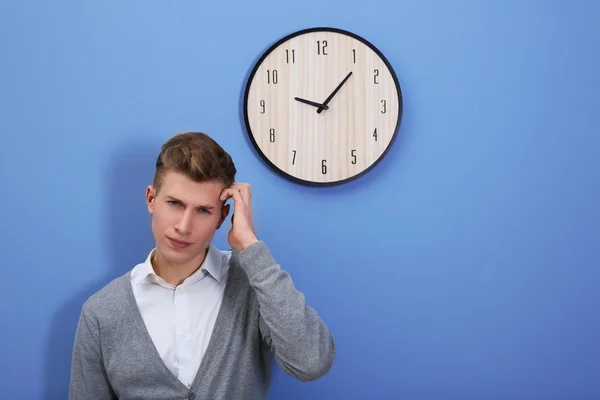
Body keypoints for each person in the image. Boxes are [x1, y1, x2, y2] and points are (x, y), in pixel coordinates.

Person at [69, 132, 336, 399]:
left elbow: (312, 363)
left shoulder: (253, 288)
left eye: (203, 211)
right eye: (175, 203)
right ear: (151, 199)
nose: (184, 227)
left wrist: (250, 246)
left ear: (222, 218)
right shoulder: (102, 313)